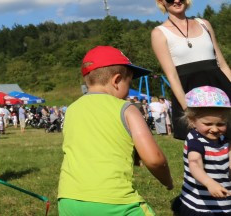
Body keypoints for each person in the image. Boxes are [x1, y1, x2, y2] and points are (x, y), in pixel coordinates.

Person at [58, 46, 173, 215]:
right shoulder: (126, 108)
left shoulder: (72, 110)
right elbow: (155, 159)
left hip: (69, 200)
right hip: (114, 202)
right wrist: (168, 181)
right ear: (117, 80)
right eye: (130, 82)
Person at [151, 0, 231, 141]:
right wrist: (188, 110)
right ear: (162, 1)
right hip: (191, 96)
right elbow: (172, 76)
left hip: (221, 91)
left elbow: (222, 65)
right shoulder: (159, 33)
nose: (177, 0)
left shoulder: (204, 24)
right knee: (201, 151)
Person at [172, 86, 231, 214]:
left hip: (224, 202)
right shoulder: (195, 140)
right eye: (208, 124)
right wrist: (209, 183)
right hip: (200, 205)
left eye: (220, 124)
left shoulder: (224, 140)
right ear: (192, 121)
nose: (215, 129)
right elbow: (195, 164)